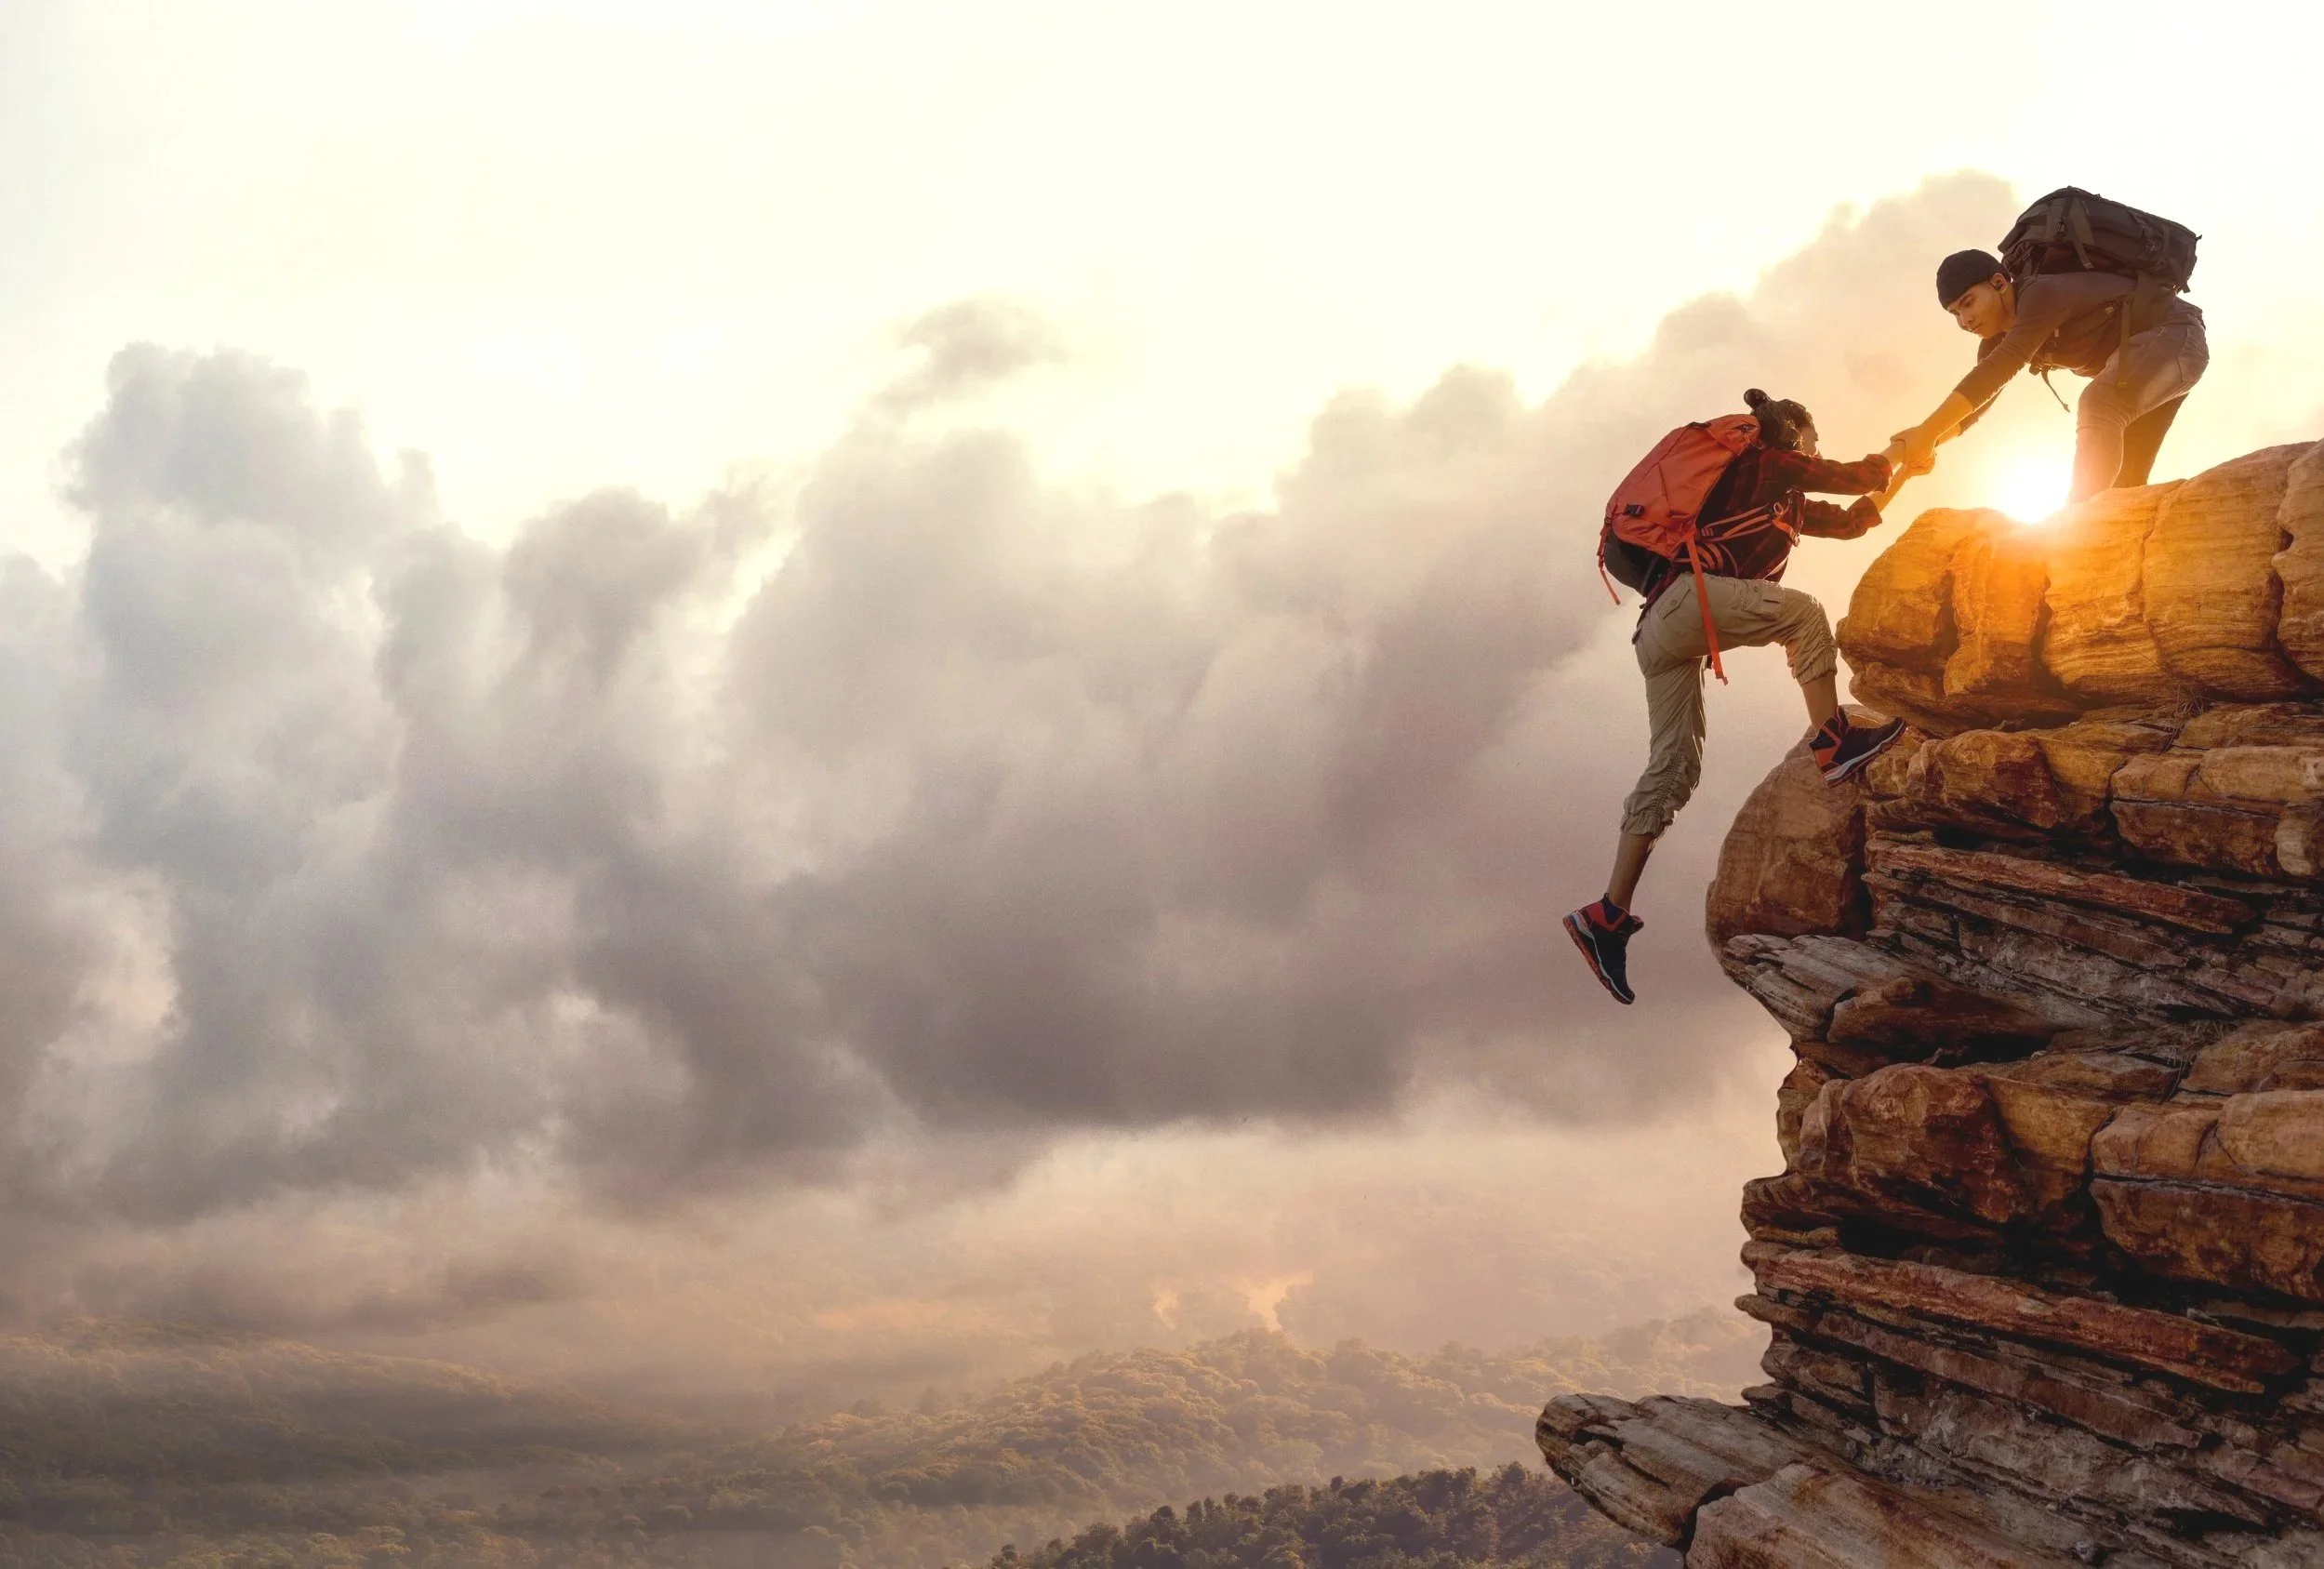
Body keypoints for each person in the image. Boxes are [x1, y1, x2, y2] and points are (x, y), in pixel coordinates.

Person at [1565, 391, 1910, 1005]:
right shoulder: (1764, 463)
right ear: (1792, 434)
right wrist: (1900, 452)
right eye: (1811, 438)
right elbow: (1857, 475)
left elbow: (1855, 516)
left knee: (1672, 768)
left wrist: (1901, 473)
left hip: (1659, 632)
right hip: (1685, 605)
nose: (1815, 449)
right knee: (1802, 614)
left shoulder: (1780, 501)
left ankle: (1606, 916)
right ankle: (1833, 742)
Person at [1891, 248, 2209, 506]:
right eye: (1955, 314)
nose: (1965, 320)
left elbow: (2002, 366)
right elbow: (1973, 411)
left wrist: (1928, 432)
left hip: (2177, 339)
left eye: (1968, 303)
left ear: (2000, 283)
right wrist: (1923, 443)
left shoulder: (2042, 294)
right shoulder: (1996, 340)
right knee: (2123, 494)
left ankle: (2072, 524)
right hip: (2141, 367)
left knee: (2100, 404)